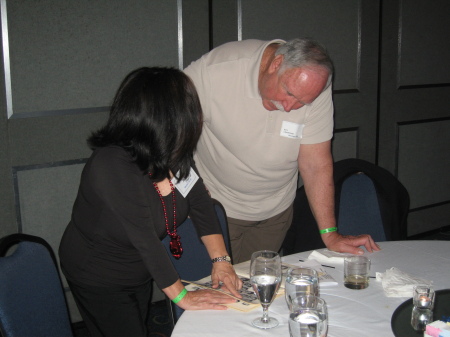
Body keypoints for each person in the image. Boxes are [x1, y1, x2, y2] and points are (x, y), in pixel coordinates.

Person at [59, 67, 243, 337]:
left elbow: (201, 204)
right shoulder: (110, 164)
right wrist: (183, 297)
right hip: (98, 272)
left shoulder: (170, 154)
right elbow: (144, 237)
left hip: (139, 267)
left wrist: (222, 261)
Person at [184, 38, 380, 263]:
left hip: (276, 214)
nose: (288, 108)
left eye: (301, 103)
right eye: (288, 92)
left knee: (256, 289)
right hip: (217, 211)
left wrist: (330, 235)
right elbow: (163, 130)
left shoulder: (314, 83)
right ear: (276, 64)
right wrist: (188, 192)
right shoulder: (214, 73)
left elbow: (315, 164)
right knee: (218, 292)